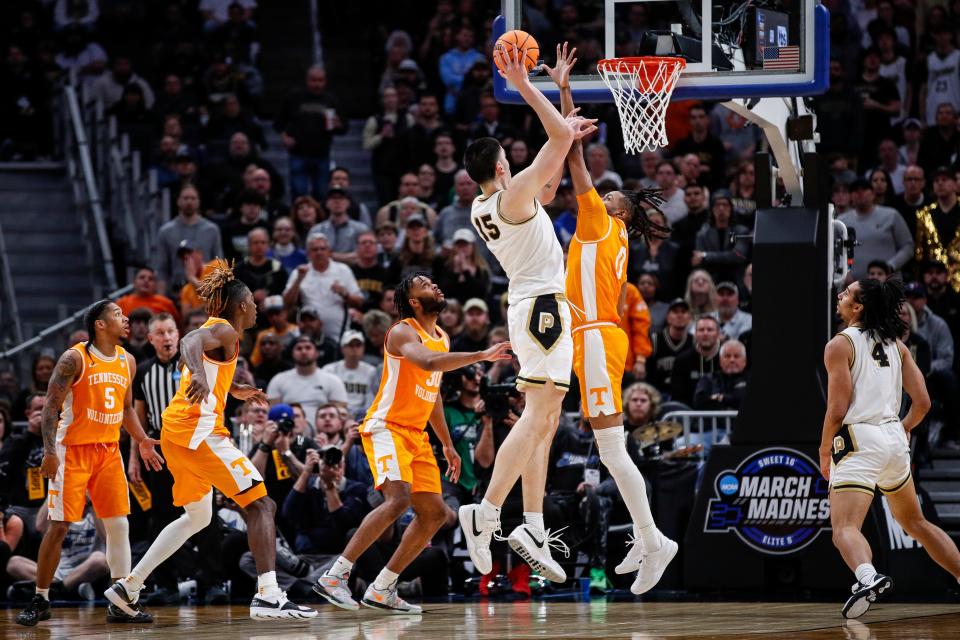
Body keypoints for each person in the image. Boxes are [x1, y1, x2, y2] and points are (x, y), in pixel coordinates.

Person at [104, 261, 317, 620]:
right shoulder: (223, 330)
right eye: (251, 301)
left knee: (197, 518)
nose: (256, 307)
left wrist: (235, 389)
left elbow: (207, 362)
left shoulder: (222, 336)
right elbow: (189, 341)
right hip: (198, 432)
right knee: (262, 506)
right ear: (239, 306)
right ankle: (268, 594)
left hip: (178, 433)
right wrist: (202, 374)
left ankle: (129, 586)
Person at [458, 44, 596, 584]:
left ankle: (532, 524)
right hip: (541, 307)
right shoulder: (512, 198)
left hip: (532, 305)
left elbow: (555, 171)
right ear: (500, 167)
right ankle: (487, 511)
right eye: (510, 163)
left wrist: (561, 92)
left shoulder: (487, 203)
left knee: (548, 414)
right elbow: (558, 139)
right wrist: (523, 87)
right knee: (540, 415)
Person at [550, 43, 676, 594]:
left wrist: (563, 92)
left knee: (611, 449)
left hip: (597, 339)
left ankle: (652, 539)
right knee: (607, 447)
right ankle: (648, 537)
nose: (600, 194)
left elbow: (575, 159)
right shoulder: (607, 230)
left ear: (616, 209)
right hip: (594, 338)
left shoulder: (601, 222)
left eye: (609, 195)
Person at [313, 273, 511, 612]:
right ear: (414, 301)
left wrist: (446, 443)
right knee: (398, 498)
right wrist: (482, 354)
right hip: (387, 426)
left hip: (416, 435)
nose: (434, 284)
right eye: (424, 284)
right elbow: (429, 362)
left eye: (434, 281)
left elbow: (431, 391)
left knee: (434, 513)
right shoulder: (403, 330)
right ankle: (336, 574)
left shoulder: (443, 337)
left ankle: (383, 587)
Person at [17, 301, 164, 626]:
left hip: (108, 450)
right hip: (72, 451)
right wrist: (50, 452)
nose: (125, 319)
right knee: (59, 527)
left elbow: (126, 409)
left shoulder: (127, 360)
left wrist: (141, 440)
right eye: (117, 315)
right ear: (100, 324)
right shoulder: (75, 358)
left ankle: (121, 600)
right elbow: (52, 405)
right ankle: (40, 598)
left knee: (118, 525)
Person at [820, 278, 960, 619]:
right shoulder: (895, 344)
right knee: (916, 522)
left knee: (844, 528)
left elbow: (837, 409)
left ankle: (867, 577)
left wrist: (824, 450)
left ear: (857, 308)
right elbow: (923, 401)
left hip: (859, 440)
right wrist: (906, 426)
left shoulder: (840, 344)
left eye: (847, 293)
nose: (839, 294)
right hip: (894, 439)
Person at [275, 65, 346, 199]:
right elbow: (278, 122)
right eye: (313, 80)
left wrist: (338, 124)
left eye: (320, 80)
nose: (317, 84)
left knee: (321, 193)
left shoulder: (331, 100)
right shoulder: (294, 97)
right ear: (307, 80)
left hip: (322, 154)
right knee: (298, 193)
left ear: (325, 81)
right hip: (298, 153)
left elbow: (343, 128)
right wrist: (285, 137)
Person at [283, 233, 364, 343]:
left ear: (329, 252)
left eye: (323, 249)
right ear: (308, 253)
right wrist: (298, 280)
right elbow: (287, 303)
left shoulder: (343, 270)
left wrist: (345, 294)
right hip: (309, 336)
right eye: (315, 249)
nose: (319, 252)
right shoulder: (300, 272)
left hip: (338, 335)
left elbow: (359, 302)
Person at [267, 335, 349, 429]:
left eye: (308, 347)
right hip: (289, 432)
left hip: (323, 432)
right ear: (292, 353)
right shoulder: (278, 380)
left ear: (317, 353)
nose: (304, 351)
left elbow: (341, 412)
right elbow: (272, 413)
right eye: (299, 348)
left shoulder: (332, 380)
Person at [322, 330, 378, 418]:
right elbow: (325, 398)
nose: (355, 349)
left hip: (362, 416)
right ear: (342, 348)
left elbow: (371, 401)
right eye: (351, 345)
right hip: (335, 414)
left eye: (358, 345)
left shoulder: (372, 371)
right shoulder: (329, 370)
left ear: (363, 348)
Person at [671, 316, 722, 406]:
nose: (705, 334)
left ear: (718, 333)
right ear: (695, 334)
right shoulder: (682, 361)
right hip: (689, 414)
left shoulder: (727, 357)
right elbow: (678, 396)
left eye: (710, 330)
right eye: (701, 330)